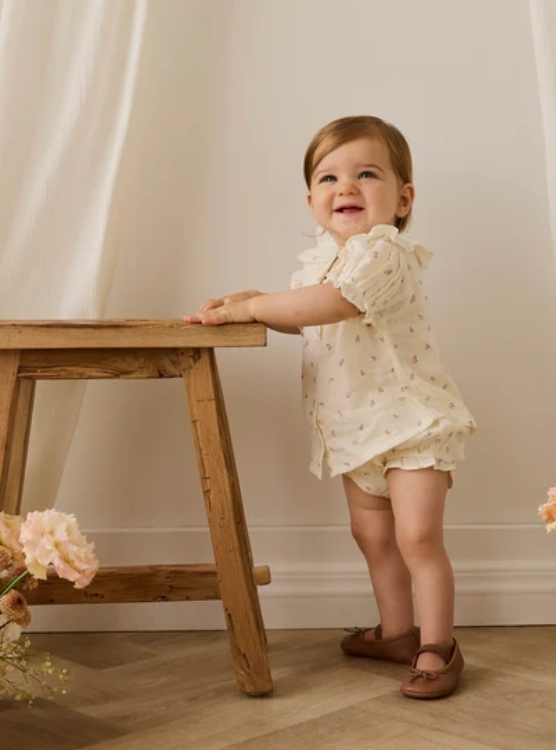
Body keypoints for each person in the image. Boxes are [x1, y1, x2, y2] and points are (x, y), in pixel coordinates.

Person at [185, 115, 476, 699]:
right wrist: (257, 300)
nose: (346, 187)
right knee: (372, 537)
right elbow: (311, 317)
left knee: (417, 538)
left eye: (366, 174)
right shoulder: (323, 263)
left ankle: (438, 647)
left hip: (412, 425)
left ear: (402, 199)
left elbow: (333, 304)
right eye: (328, 178)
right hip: (355, 430)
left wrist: (254, 308)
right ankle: (396, 632)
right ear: (311, 200)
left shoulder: (385, 254)